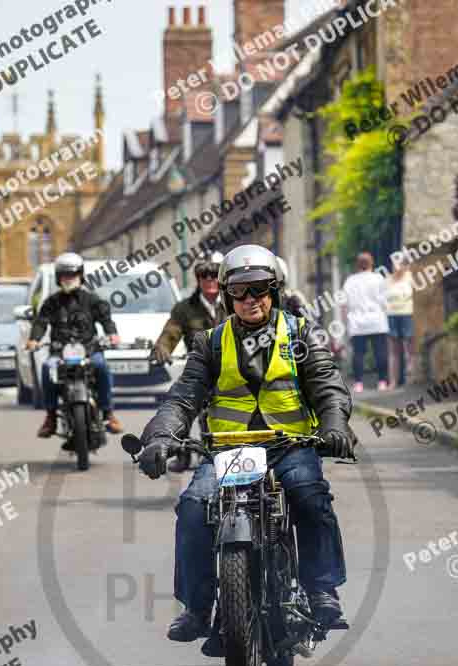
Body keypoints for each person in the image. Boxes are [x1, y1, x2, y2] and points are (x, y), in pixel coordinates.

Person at [138, 244, 355, 643]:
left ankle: (321, 588)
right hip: (230, 450)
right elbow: (183, 397)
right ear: (226, 295)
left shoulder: (301, 333)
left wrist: (335, 425)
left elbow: (327, 386)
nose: (250, 298)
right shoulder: (210, 342)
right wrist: (160, 438)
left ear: (274, 289)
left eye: (259, 288)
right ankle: (198, 607)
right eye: (239, 290)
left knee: (308, 495)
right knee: (192, 507)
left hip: (290, 445)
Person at [26, 252, 123, 437]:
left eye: (73, 275)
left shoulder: (93, 300)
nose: (69, 279)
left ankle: (109, 413)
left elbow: (106, 319)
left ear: (81, 275)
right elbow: (40, 322)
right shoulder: (51, 303)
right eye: (65, 275)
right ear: (58, 277)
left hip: (89, 350)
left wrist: (113, 335)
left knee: (101, 366)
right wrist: (34, 340)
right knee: (47, 369)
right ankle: (51, 417)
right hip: (59, 353)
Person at [151, 251, 226, 471]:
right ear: (198, 278)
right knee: (179, 401)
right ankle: (181, 452)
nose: (210, 279)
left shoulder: (237, 302)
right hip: (199, 370)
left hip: (235, 369)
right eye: (204, 274)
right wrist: (162, 348)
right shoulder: (184, 308)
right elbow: (171, 333)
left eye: (215, 274)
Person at [341, 252, 389, 393]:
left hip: (357, 323)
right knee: (380, 352)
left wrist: (345, 323)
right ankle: (382, 381)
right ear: (371, 263)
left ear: (357, 265)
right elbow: (385, 301)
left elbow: (344, 304)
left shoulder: (350, 281)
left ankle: (358, 383)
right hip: (377, 321)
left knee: (358, 354)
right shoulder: (379, 278)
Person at [385, 260, 414, 389]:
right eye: (394, 264)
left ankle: (410, 380)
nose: (397, 267)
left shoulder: (410, 276)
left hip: (407, 314)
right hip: (391, 315)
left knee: (408, 347)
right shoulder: (387, 280)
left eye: (400, 263)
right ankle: (393, 381)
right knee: (393, 350)